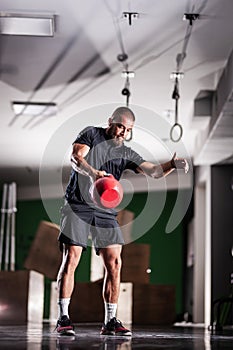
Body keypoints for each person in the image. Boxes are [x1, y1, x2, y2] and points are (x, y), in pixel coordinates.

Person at [55, 106, 189, 336]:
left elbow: (154, 172)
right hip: (78, 206)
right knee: (72, 258)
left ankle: (110, 321)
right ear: (110, 122)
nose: (122, 133)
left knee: (115, 264)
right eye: (120, 126)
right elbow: (76, 158)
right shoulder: (91, 134)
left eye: (127, 130)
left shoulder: (126, 153)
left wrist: (172, 165)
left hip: (105, 210)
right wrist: (93, 173)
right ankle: (63, 317)